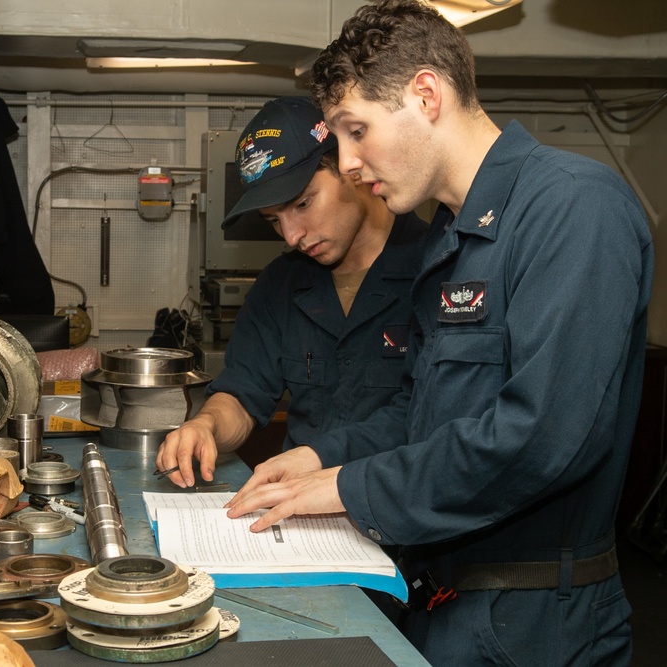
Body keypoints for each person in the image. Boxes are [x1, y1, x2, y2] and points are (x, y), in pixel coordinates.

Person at [224, 2, 654, 665]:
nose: (347, 162)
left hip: (536, 624)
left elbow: (542, 436)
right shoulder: (452, 242)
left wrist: (348, 488)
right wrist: (320, 458)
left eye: (356, 130)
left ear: (427, 94)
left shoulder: (574, 207)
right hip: (443, 606)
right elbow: (423, 411)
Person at [156, 96, 427, 489]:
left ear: (352, 166)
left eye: (302, 203)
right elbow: (242, 395)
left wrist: (321, 457)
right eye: (273, 221)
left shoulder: (438, 270)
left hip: (400, 521)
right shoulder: (281, 285)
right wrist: (206, 425)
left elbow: (430, 417)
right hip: (304, 523)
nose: (291, 235)